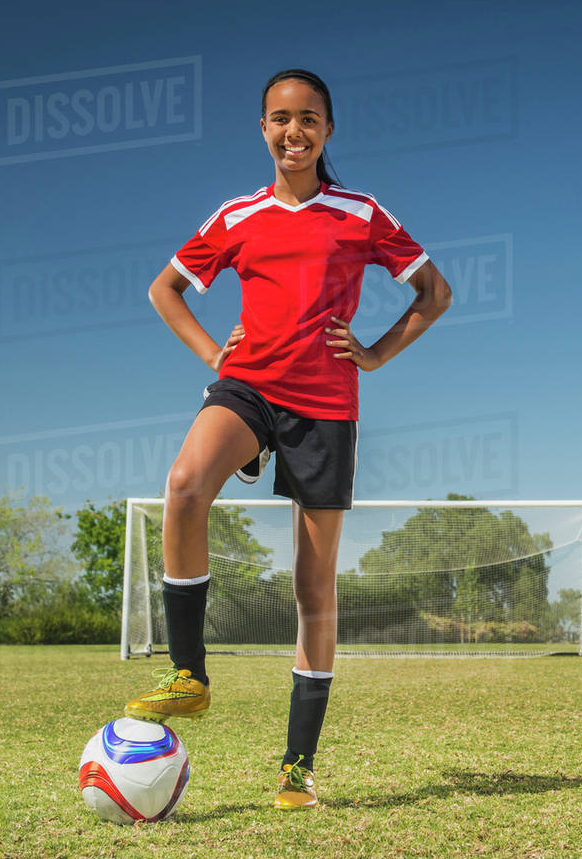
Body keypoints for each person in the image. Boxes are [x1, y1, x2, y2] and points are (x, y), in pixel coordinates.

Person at [123, 68, 452, 809]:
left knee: (312, 584)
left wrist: (374, 353)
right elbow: (164, 289)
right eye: (280, 118)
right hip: (248, 386)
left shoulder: (360, 213)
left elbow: (435, 292)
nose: (293, 131)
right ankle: (188, 673)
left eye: (308, 118)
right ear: (263, 129)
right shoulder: (236, 216)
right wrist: (215, 355)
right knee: (184, 485)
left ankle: (297, 767)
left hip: (325, 404)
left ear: (327, 130)